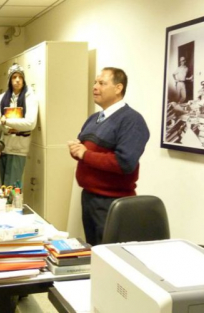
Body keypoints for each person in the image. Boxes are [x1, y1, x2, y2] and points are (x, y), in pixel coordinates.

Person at [68, 67, 150, 246]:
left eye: (102, 83)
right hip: (90, 198)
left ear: (118, 88)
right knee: (95, 251)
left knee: (111, 255)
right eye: (95, 82)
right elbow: (86, 151)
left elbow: (124, 162)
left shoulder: (132, 121)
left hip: (112, 203)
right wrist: (77, 150)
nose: (95, 87)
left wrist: (85, 154)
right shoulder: (94, 118)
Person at [0, 63, 38, 187]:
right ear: (9, 80)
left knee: (12, 188)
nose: (17, 80)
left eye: (20, 77)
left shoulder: (30, 97)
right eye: (14, 77)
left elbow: (30, 123)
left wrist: (6, 121)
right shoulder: (3, 97)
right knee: (0, 187)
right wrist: (13, 127)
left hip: (18, 149)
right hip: (3, 147)